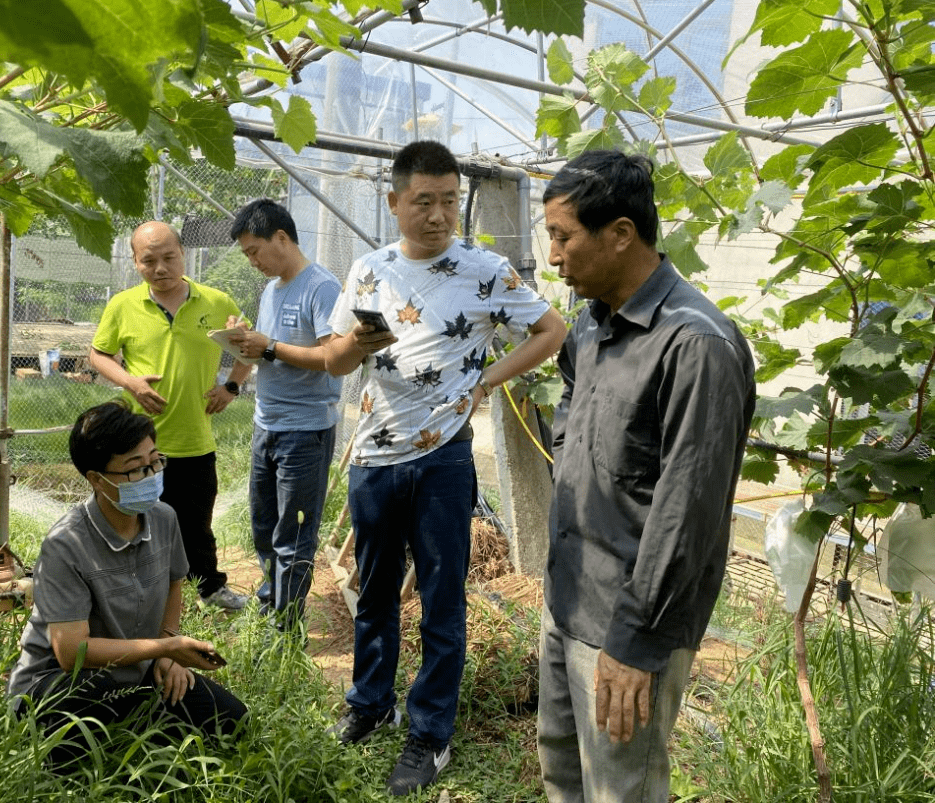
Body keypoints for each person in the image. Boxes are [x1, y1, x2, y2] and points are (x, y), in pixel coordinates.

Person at [323, 140, 567, 796]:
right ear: (395, 201)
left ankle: (430, 735)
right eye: (424, 201)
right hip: (373, 455)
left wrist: (488, 379)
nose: (438, 215)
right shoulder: (368, 270)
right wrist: (354, 343)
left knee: (440, 600)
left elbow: (551, 331)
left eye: (449, 201)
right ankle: (368, 704)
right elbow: (335, 361)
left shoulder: (483, 270)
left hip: (443, 460)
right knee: (374, 593)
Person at [538, 149, 756, 803]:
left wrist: (633, 644)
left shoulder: (698, 345)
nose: (552, 257)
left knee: (620, 791)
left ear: (622, 234)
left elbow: (687, 512)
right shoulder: (590, 327)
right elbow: (573, 423)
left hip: (626, 624)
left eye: (562, 236)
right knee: (563, 772)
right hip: (567, 598)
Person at [6, 401, 247, 769]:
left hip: (136, 673)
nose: (151, 476)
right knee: (90, 720)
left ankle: (140, 726)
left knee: (233, 722)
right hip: (59, 682)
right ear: (97, 480)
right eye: (135, 469)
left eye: (155, 461)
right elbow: (72, 653)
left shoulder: (164, 518)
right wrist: (165, 646)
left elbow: (173, 584)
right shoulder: (66, 544)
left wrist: (167, 655)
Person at [90, 221, 251, 610]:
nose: (160, 268)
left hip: (195, 438)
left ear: (183, 254)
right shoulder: (123, 305)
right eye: (149, 260)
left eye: (168, 257)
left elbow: (247, 344)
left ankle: (210, 589)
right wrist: (131, 383)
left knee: (197, 523)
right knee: (136, 519)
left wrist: (230, 387)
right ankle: (138, 591)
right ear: (135, 262)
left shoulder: (216, 301)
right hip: (140, 444)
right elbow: (97, 355)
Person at [222, 198, 343, 638]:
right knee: (263, 525)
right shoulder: (271, 290)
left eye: (255, 251)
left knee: (294, 534)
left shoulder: (321, 287)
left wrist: (268, 346)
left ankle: (285, 628)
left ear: (282, 237)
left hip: (305, 430)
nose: (252, 261)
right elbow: (266, 348)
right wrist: (244, 341)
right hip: (266, 423)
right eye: (247, 255)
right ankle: (271, 603)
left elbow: (333, 357)